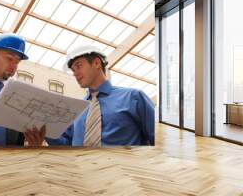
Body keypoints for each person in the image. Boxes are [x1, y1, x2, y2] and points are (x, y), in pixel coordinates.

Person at [26, 45, 155, 146]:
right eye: (73, 70)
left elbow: (157, 140)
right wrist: (46, 133)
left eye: (79, 66)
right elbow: (68, 144)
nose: (75, 73)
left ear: (97, 63)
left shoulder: (133, 97)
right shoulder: (77, 108)